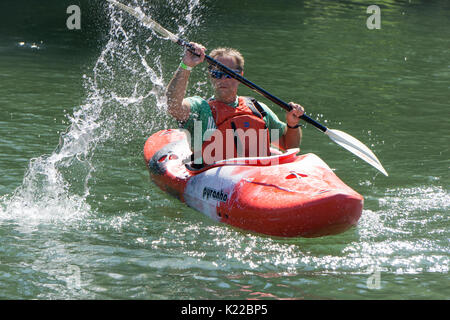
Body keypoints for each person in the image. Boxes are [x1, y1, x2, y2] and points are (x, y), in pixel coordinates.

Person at [166, 42, 305, 166]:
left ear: (240, 76)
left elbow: (290, 146)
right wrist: (186, 65)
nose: (223, 79)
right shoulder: (201, 108)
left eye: (229, 74)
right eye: (217, 73)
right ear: (210, 76)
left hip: (257, 179)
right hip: (214, 182)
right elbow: (173, 106)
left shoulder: (258, 109)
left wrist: (292, 124)